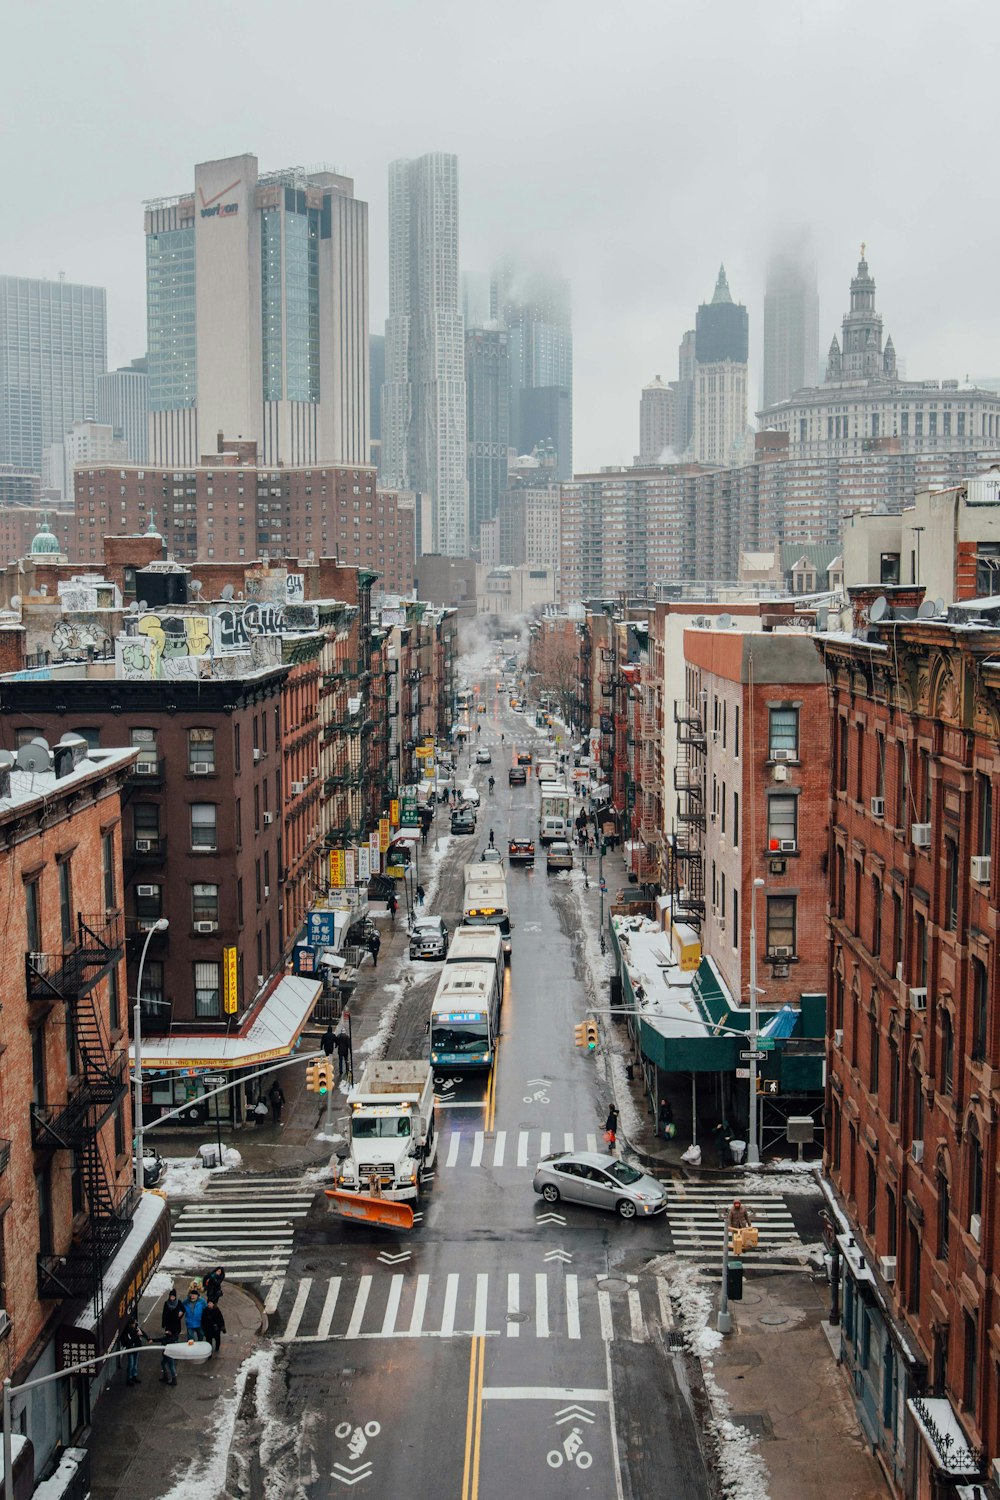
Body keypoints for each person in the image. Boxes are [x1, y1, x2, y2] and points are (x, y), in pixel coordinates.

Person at [160, 1288, 184, 1385]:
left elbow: (183, 1309)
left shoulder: (179, 1303)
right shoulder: (167, 1304)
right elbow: (164, 1314)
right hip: (169, 1325)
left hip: (175, 1326)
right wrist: (164, 1325)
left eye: (173, 1296)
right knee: (165, 1362)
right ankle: (167, 1376)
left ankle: (172, 1377)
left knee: (169, 1362)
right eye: (171, 1296)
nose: (172, 1298)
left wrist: (181, 1313)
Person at [122, 1311, 149, 1386]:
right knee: (131, 1364)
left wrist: (147, 1338)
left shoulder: (136, 1328)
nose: (135, 1324)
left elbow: (142, 1332)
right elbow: (128, 1341)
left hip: (136, 1348)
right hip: (131, 1349)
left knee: (135, 1363)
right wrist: (137, 1337)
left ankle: (134, 1376)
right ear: (131, 1325)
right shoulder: (127, 1332)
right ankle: (129, 1378)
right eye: (134, 1323)